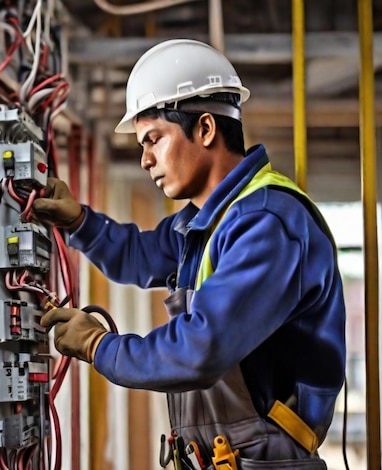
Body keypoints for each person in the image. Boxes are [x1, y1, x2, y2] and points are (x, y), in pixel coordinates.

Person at [32, 39, 346, 468]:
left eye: (154, 139)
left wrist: (98, 345)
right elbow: (142, 256)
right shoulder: (206, 221)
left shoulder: (268, 223)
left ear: (205, 129)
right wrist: (79, 223)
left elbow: (199, 349)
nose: (145, 160)